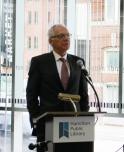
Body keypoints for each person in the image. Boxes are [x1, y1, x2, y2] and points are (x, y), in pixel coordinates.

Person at [26, 24, 89, 152]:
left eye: (67, 35)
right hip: (48, 123)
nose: (66, 39)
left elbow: (83, 94)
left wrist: (84, 118)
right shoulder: (39, 62)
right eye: (61, 36)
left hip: (75, 126)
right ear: (51, 41)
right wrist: (36, 118)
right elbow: (31, 94)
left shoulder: (78, 62)